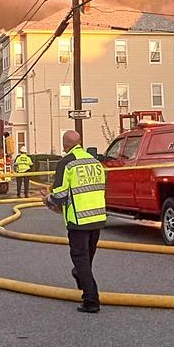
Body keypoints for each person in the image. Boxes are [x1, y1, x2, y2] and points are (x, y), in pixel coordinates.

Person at [43, 130, 107, 314]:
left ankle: (91, 300)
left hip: (78, 219)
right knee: (87, 258)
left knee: (80, 257)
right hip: (97, 217)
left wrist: (47, 199)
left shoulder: (67, 163)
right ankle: (80, 274)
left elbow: (60, 195)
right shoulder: (95, 162)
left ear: (65, 145)